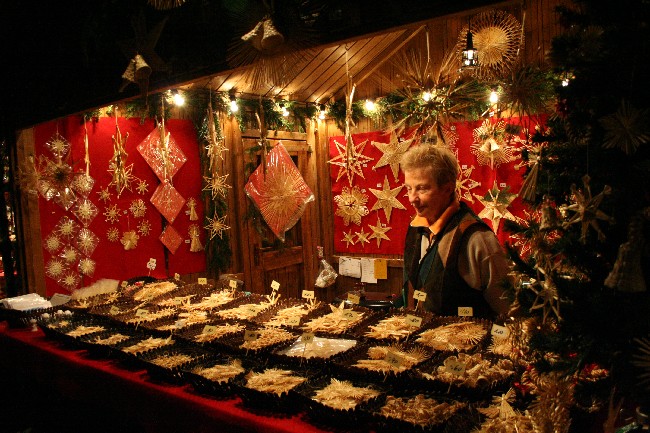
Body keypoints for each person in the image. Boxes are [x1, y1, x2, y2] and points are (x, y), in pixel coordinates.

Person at [397, 144, 511, 318]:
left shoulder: (477, 239)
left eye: (422, 188)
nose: (412, 198)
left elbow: (506, 307)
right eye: (409, 188)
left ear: (448, 189)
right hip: (420, 340)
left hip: (467, 342)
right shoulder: (415, 228)